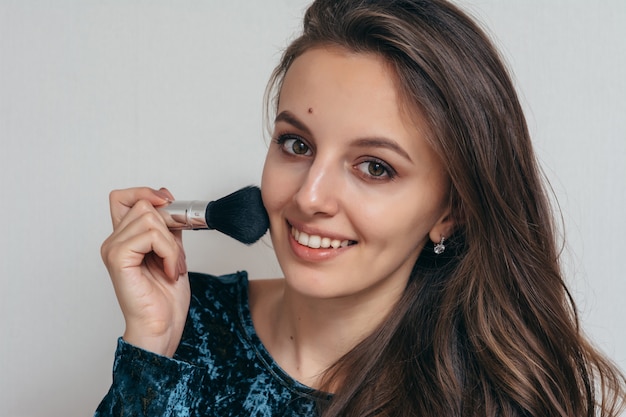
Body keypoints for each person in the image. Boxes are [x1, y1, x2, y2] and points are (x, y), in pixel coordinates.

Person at [95, 0, 626, 416]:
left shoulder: (495, 396)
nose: (309, 197)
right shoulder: (185, 321)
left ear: (451, 211)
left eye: (375, 167)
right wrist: (152, 345)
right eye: (296, 145)